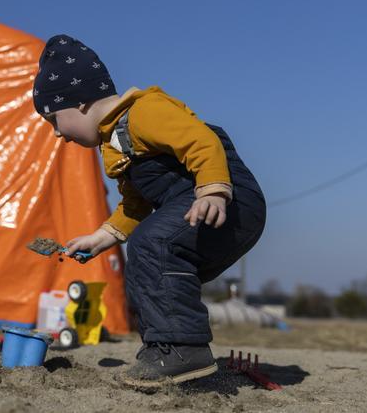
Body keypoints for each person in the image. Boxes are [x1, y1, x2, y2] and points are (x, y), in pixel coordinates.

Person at [32, 34, 266, 388]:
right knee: (147, 269)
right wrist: (101, 237)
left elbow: (201, 141)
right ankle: (164, 350)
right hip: (195, 205)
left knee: (151, 245)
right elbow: (135, 202)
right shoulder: (114, 145)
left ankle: (183, 349)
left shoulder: (143, 112)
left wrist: (213, 190)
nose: (57, 135)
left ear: (79, 104)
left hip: (228, 201)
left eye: (54, 120)